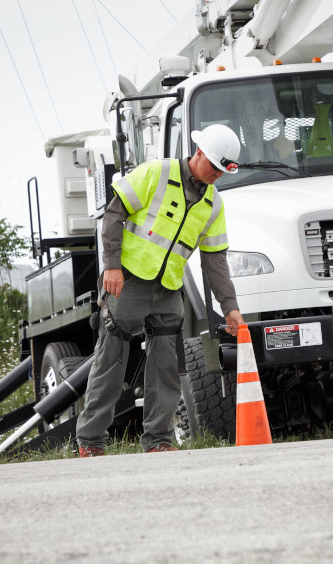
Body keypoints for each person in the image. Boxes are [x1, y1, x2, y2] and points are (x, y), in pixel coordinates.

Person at [74, 124, 245, 456]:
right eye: (214, 167)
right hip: (129, 280)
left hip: (168, 290)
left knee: (166, 367)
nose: (216, 176)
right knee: (111, 361)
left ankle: (158, 441)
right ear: (198, 154)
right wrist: (111, 266)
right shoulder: (157, 172)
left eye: (223, 171)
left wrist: (230, 306)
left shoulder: (214, 205)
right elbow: (113, 215)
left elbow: (215, 261)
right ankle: (91, 442)